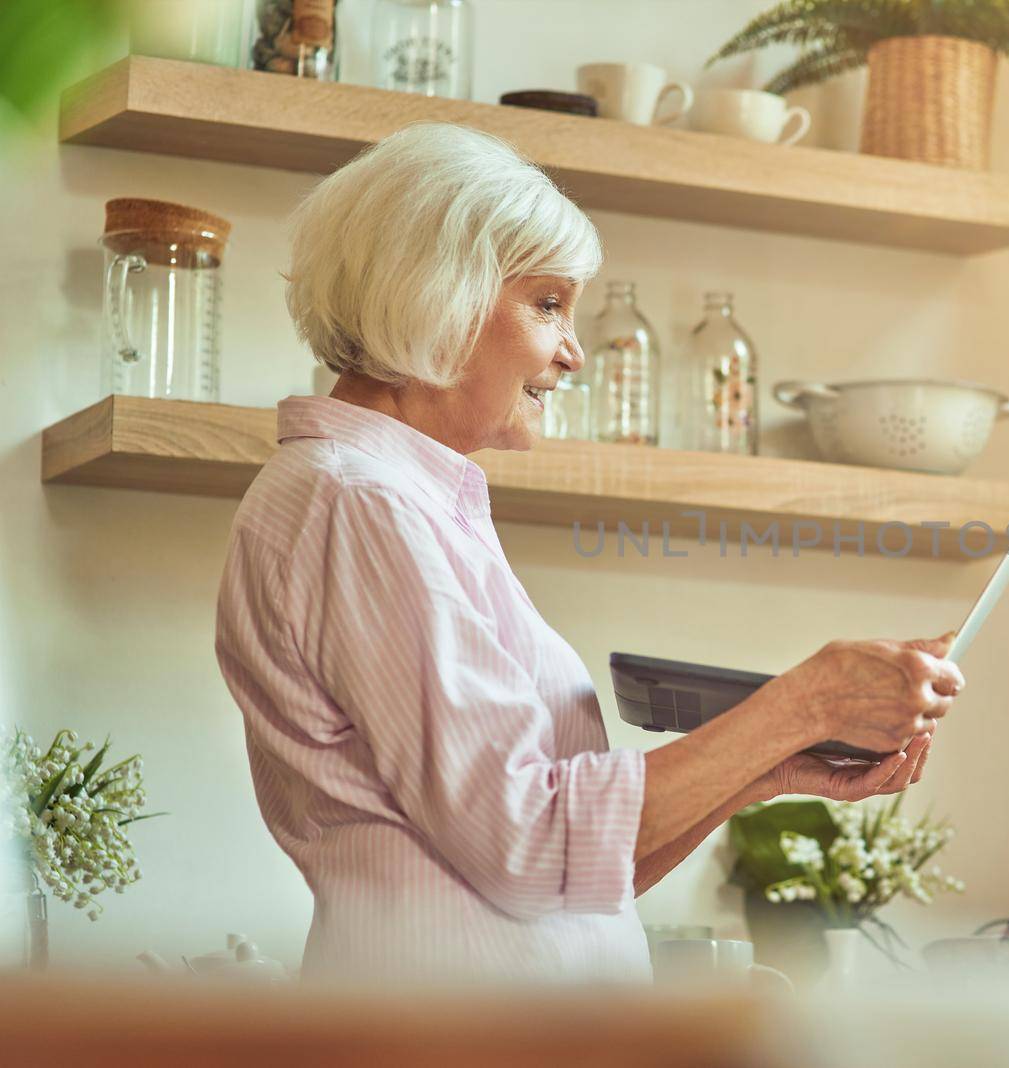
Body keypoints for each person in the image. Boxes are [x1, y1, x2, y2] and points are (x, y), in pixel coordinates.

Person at [214, 123, 964, 981]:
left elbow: (570, 879)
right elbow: (527, 842)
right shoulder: (359, 502)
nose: (573, 351)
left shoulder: (396, 500)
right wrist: (805, 702)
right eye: (547, 304)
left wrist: (766, 766)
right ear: (434, 293)